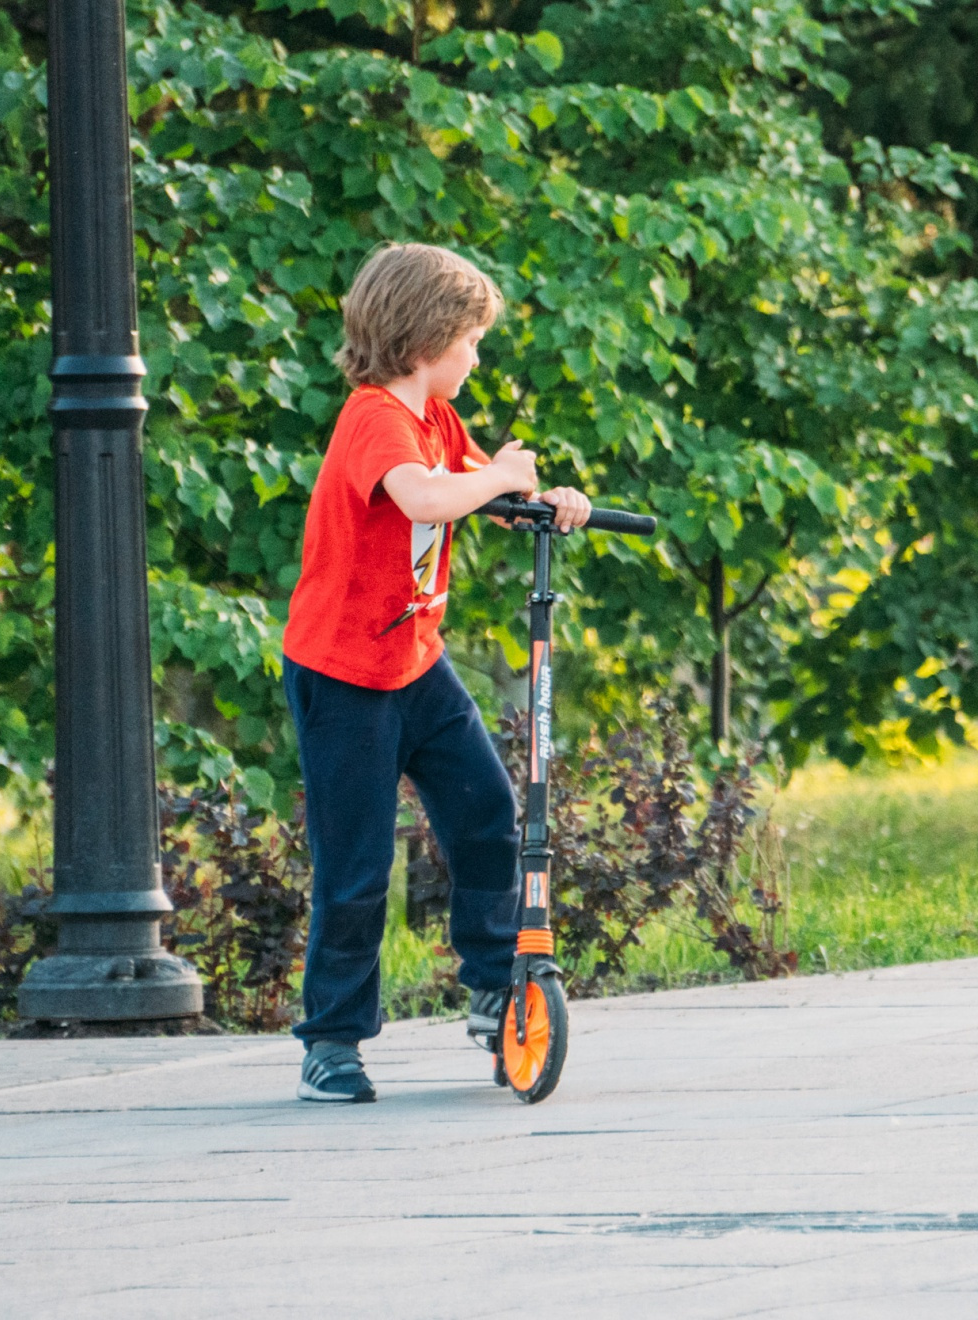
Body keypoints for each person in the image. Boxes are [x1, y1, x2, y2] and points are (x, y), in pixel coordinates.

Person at [281, 243, 591, 1102]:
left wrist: (545, 501)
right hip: (344, 673)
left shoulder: (436, 421)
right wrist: (491, 474)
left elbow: (474, 493)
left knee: (488, 813)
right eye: (472, 339)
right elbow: (423, 497)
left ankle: (500, 986)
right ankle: (332, 1042)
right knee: (356, 864)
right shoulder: (374, 418)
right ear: (427, 339)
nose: (478, 356)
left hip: (414, 663)